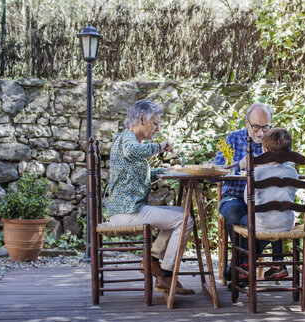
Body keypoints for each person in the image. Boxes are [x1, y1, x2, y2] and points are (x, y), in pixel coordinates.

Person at [106, 99, 195, 295]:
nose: (158, 129)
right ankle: (166, 274)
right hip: (127, 211)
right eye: (155, 123)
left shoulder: (130, 141)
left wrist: (166, 169)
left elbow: (139, 174)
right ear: (141, 119)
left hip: (127, 209)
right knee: (185, 220)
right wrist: (160, 146)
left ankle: (153, 260)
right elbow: (132, 151)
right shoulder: (127, 139)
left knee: (183, 213)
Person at [214, 103, 285, 280]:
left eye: (265, 127)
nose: (261, 133)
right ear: (246, 122)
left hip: (263, 200)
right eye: (256, 127)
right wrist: (238, 166)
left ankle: (241, 265)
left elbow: (286, 169)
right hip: (235, 197)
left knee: (274, 215)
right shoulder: (233, 138)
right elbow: (213, 175)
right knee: (236, 214)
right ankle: (244, 265)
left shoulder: (273, 141)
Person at [237, 128, 297, 279]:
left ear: (265, 150)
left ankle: (245, 266)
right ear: (288, 151)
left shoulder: (257, 172)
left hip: (261, 224)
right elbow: (292, 194)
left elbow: (246, 200)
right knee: (277, 215)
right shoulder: (292, 172)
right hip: (287, 224)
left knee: (243, 220)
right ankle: (278, 263)